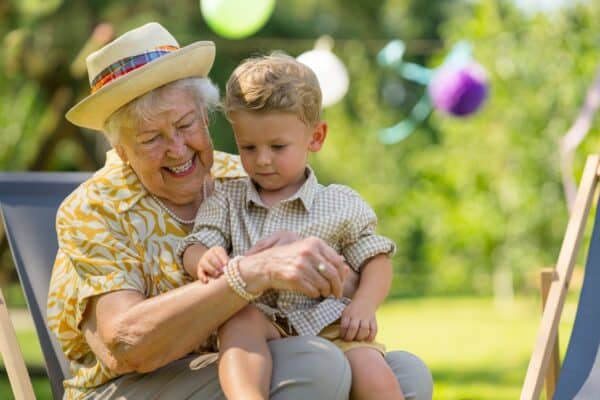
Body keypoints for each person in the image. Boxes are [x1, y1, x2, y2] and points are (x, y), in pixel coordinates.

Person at [46, 22, 433, 399]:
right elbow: (125, 346)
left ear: (206, 117)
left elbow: (353, 267)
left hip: (253, 351)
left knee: (406, 374)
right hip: (136, 385)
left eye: (185, 125)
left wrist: (320, 271)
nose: (178, 150)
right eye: (151, 139)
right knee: (316, 366)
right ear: (121, 149)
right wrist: (251, 271)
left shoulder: (241, 174)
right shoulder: (94, 208)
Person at [180, 53, 404, 400]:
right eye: (248, 147)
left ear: (315, 137)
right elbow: (197, 243)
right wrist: (203, 258)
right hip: (261, 318)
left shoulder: (340, 202)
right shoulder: (226, 199)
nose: (262, 159)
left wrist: (364, 305)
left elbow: (377, 260)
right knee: (238, 323)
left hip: (330, 324)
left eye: (278, 146)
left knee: (373, 371)